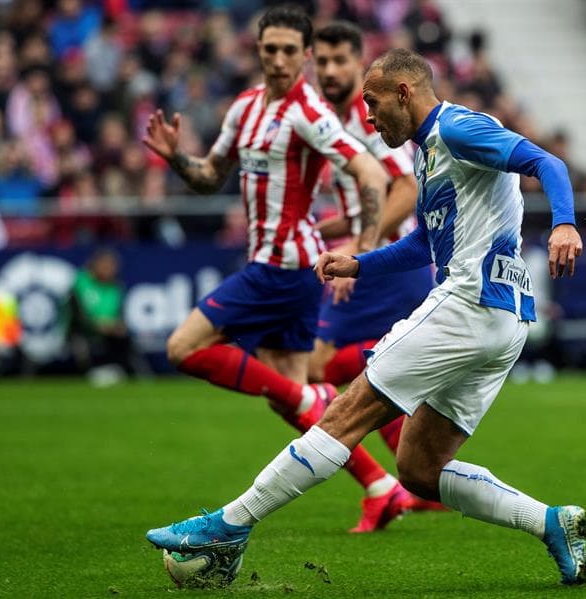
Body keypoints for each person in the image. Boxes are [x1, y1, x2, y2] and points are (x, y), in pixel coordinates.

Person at [146, 48, 586, 587]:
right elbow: (423, 246)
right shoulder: (429, 153)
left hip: (470, 305)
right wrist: (359, 263)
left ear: (405, 93)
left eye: (374, 102)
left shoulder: (457, 128)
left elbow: (548, 163)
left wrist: (565, 223)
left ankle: (227, 527)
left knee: (346, 411)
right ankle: (550, 524)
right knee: (419, 469)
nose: (369, 116)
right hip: (503, 321)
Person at [140, 5, 411, 533]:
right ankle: (380, 487)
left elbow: (372, 174)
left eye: (291, 51)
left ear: (305, 56)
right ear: (258, 51)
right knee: (292, 399)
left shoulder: (308, 112)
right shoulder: (244, 109)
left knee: (183, 347)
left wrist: (362, 251)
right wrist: (176, 159)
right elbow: (210, 175)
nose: (281, 59)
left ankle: (312, 400)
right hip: (277, 267)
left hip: (282, 268)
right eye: (271, 50)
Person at [310, 22, 435, 470]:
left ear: (361, 65)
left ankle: (378, 485)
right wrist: (320, 231)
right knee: (373, 369)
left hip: (388, 262)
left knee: (314, 369)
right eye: (321, 60)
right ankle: (417, 474)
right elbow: (372, 203)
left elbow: (403, 189)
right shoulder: (340, 123)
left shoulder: (368, 123)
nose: (329, 69)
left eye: (340, 59)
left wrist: (360, 251)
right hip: (389, 260)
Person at [66, 248, 152, 384]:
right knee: (80, 345)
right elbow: (77, 315)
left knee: (125, 340)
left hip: (107, 332)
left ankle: (141, 378)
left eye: (112, 267)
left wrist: (117, 326)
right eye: (106, 266)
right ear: (96, 265)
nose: (110, 270)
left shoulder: (116, 288)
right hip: (81, 331)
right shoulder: (81, 283)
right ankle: (89, 376)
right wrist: (96, 325)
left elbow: (118, 314)